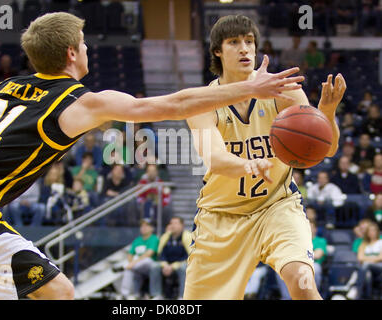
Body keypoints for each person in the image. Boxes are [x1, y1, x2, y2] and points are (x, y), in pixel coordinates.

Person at [0, 12, 304, 300]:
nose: (89, 49)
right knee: (40, 292)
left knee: (53, 290)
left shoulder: (4, 87)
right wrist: (247, 88)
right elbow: (175, 104)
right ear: (72, 53)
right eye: (84, 43)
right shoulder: (79, 102)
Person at [185, 14, 346, 300]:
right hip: (222, 217)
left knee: (303, 280)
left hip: (277, 205)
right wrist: (247, 164)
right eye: (234, 42)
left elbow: (327, 149)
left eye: (249, 41)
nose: (245, 48)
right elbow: (216, 159)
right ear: (218, 51)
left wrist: (327, 114)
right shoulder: (202, 102)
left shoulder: (284, 90)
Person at [149, 216, 191, 300]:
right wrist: (165, 265)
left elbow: (189, 256)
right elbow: (161, 254)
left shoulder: (188, 236)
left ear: (182, 225)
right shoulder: (166, 237)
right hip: (167, 265)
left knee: (184, 268)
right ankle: (156, 295)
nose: (173, 225)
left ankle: (182, 296)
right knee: (154, 266)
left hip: (181, 263)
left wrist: (173, 266)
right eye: (171, 223)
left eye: (176, 223)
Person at [119, 219, 159, 299]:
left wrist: (132, 264)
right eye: (142, 226)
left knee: (144, 262)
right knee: (129, 270)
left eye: (146, 226)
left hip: (150, 265)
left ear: (152, 228)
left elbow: (149, 254)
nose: (143, 228)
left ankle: (124, 267)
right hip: (138, 266)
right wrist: (131, 263)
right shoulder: (137, 240)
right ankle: (125, 294)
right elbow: (130, 255)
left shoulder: (154, 238)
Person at [356, 221, 382, 299]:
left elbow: (380, 258)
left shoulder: (381, 242)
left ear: (377, 232)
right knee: (368, 275)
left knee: (366, 265)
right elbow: (360, 258)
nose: (372, 232)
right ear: (367, 232)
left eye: (374, 230)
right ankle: (368, 297)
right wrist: (374, 258)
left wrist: (367, 259)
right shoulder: (363, 244)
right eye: (370, 230)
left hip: (379, 268)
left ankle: (358, 293)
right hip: (367, 269)